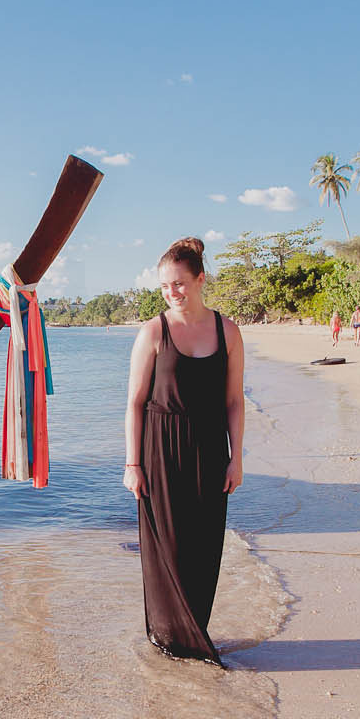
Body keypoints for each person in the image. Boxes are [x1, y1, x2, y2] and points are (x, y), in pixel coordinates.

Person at [125, 237, 246, 662]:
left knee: (204, 549)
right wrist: (132, 463)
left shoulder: (227, 331)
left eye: (178, 283)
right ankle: (170, 640)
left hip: (210, 450)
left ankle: (194, 635)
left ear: (200, 280)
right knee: (169, 551)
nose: (171, 292)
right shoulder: (153, 332)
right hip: (159, 452)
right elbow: (135, 403)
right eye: (164, 286)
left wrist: (236, 458)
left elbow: (234, 401)